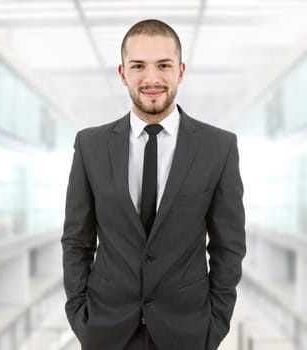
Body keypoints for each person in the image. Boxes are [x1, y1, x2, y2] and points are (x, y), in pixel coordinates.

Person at [62, 19, 246, 350]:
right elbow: (77, 240)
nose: (151, 78)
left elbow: (228, 246)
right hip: (106, 331)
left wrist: (215, 323)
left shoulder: (219, 147)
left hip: (188, 332)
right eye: (138, 66)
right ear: (122, 73)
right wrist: (79, 315)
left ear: (181, 70)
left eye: (164, 65)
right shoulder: (90, 145)